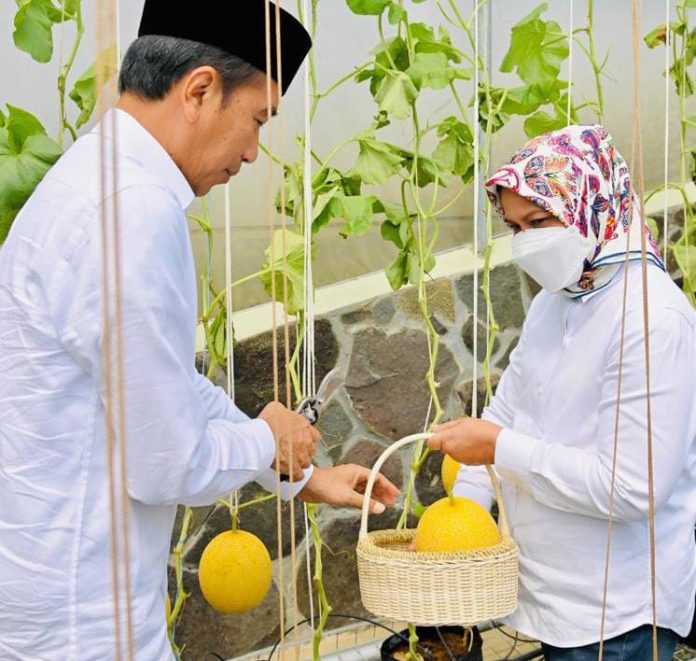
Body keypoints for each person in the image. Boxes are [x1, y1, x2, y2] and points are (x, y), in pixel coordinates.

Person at [0, 2, 399, 659]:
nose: (251, 152)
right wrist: (265, 437)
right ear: (201, 89)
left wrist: (296, 473)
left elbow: (159, 386)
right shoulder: (134, 211)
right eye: (258, 120)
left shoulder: (87, 179)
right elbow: (166, 464)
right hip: (84, 626)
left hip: (50, 596)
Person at [427, 125, 696, 660]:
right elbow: (508, 411)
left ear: (592, 204)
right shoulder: (557, 300)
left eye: (540, 222)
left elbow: (633, 488)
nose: (527, 242)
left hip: (618, 618)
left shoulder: (651, 318)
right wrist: (459, 528)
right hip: (555, 602)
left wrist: (499, 447)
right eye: (514, 227)